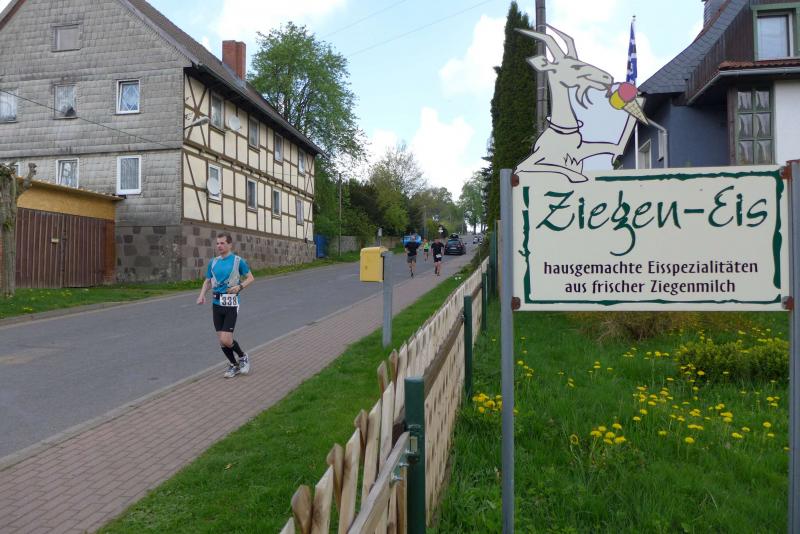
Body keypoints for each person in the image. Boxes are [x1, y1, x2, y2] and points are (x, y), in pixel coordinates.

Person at [196, 233, 255, 378]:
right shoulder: (213, 262)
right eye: (217, 243)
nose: (219, 246)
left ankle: (243, 357)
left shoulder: (238, 261)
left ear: (229, 244)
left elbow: (250, 278)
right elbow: (208, 281)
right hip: (216, 304)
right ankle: (234, 365)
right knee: (222, 341)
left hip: (231, 303)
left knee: (226, 339)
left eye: (222, 243)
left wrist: (240, 287)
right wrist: (202, 295)